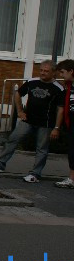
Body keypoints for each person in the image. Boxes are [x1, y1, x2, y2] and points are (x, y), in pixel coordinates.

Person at [0, 61, 62, 182]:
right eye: (41, 70)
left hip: (46, 123)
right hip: (28, 119)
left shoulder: (58, 88)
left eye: (46, 71)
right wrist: (20, 111)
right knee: (13, 139)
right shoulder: (32, 82)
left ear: (53, 72)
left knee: (42, 148)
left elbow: (60, 109)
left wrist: (56, 128)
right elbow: (18, 93)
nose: (42, 73)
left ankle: (35, 174)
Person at [53, 59, 74, 188]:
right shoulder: (69, 86)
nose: (61, 75)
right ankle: (71, 179)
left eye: (63, 72)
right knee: (72, 151)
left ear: (71, 71)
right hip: (71, 121)